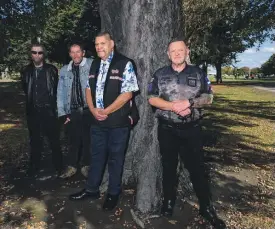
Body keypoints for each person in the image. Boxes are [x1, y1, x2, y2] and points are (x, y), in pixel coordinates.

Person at [148, 38, 227, 229]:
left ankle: (206, 207)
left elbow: (209, 97)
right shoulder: (159, 74)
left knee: (198, 169)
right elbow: (152, 99)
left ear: (187, 51)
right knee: (168, 167)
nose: (176, 53)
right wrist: (173, 106)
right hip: (167, 129)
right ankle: (167, 203)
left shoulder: (198, 72)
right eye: (173, 51)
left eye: (180, 50)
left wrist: (189, 104)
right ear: (168, 54)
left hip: (192, 129)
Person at [69, 31, 139, 211]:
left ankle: (113, 194)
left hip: (117, 123)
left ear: (112, 43)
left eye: (103, 43)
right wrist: (93, 110)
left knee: (116, 159)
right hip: (97, 122)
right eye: (97, 44)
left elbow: (127, 94)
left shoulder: (125, 63)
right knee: (96, 157)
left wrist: (106, 111)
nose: (99, 47)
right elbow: (87, 89)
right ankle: (92, 189)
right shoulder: (95, 65)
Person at [21, 43, 63, 177]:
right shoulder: (26, 71)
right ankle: (34, 167)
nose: (37, 55)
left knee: (54, 141)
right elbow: (25, 89)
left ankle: (59, 167)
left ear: (43, 54)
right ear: (30, 54)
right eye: (34, 52)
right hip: (33, 112)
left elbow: (57, 89)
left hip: (49, 111)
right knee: (35, 141)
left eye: (40, 52)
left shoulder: (52, 70)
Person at [57, 43, 93, 178]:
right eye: (73, 52)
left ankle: (86, 166)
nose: (76, 55)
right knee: (73, 140)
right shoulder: (65, 70)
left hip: (88, 109)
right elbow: (60, 92)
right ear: (70, 54)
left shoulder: (91, 65)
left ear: (83, 53)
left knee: (88, 139)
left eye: (78, 52)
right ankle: (71, 166)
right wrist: (62, 112)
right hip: (72, 110)